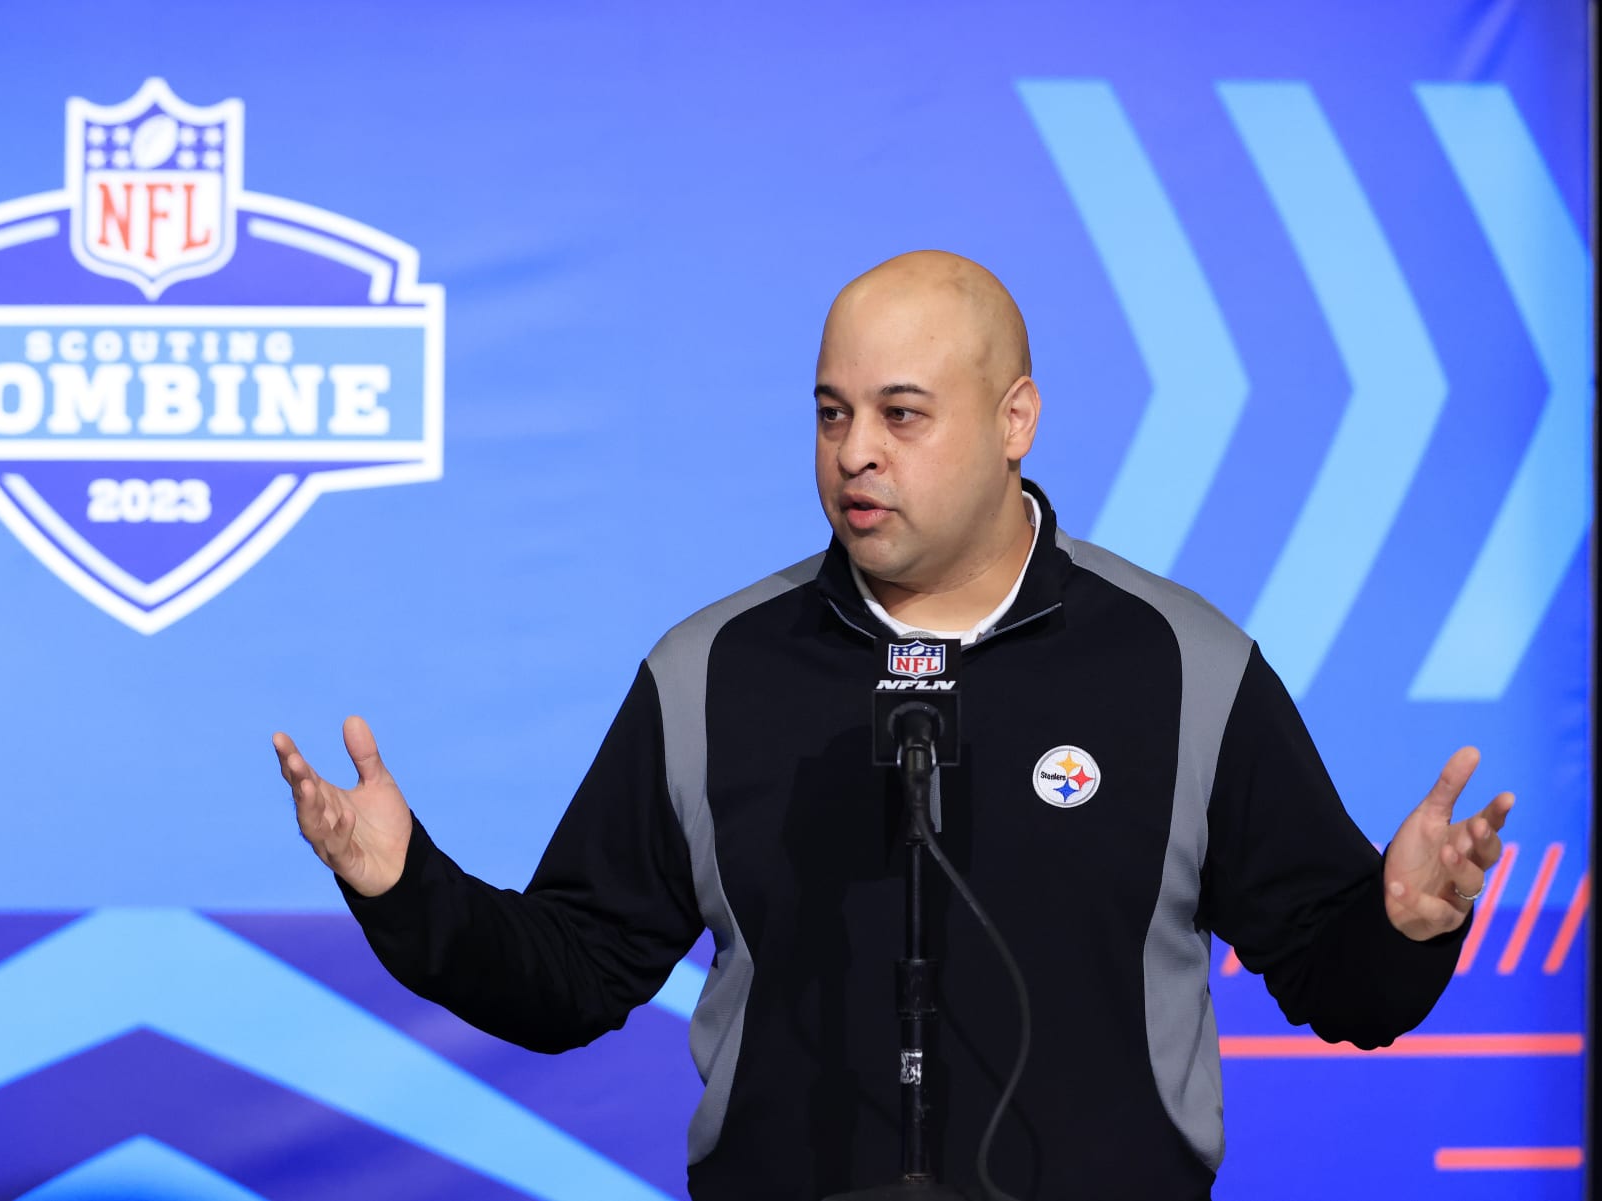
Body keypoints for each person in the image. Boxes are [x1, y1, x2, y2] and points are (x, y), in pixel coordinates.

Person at [273, 251, 1514, 1200]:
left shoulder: (1184, 664)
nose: (854, 453)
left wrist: (1404, 924)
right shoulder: (712, 672)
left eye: (901, 415)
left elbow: (1340, 978)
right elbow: (573, 975)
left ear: (1015, 421)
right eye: (831, 413)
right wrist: (406, 886)